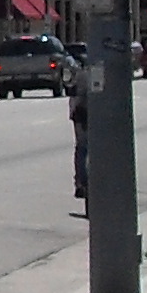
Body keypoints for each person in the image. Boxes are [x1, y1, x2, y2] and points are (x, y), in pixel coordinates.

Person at [68, 53, 92, 206]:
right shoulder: (85, 74)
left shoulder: (79, 74)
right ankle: (82, 183)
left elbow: (72, 91)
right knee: (83, 147)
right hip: (84, 114)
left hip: (81, 114)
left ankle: (81, 183)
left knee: (82, 148)